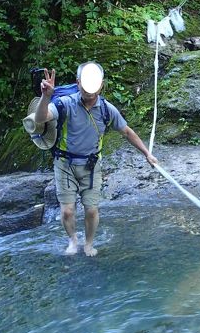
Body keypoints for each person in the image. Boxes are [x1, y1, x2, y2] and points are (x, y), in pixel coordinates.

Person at [34, 62, 158, 257]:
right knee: (67, 211)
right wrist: (45, 96)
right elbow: (41, 118)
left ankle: (89, 244)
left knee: (91, 210)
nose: (89, 90)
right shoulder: (64, 103)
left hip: (91, 166)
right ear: (78, 83)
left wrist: (147, 154)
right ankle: (73, 240)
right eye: (84, 84)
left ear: (101, 85)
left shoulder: (107, 109)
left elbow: (126, 132)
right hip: (65, 164)